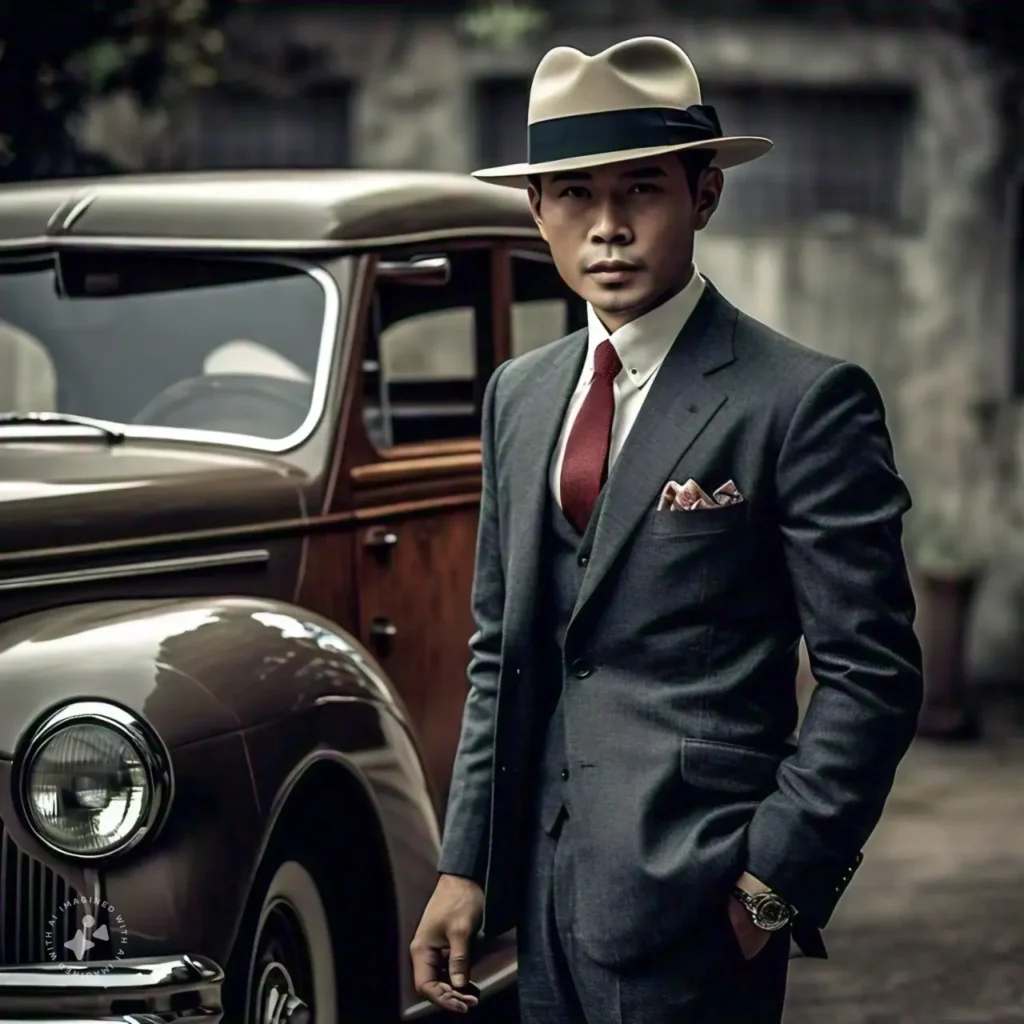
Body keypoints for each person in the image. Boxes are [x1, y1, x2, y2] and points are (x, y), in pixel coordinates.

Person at [410, 35, 924, 1024]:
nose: (605, 228)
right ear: (536, 210)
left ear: (703, 196)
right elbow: (499, 653)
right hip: (540, 898)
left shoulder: (802, 400)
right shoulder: (518, 397)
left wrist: (771, 882)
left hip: (700, 896)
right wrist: (464, 865)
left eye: (639, 191)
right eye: (573, 194)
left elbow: (873, 675)